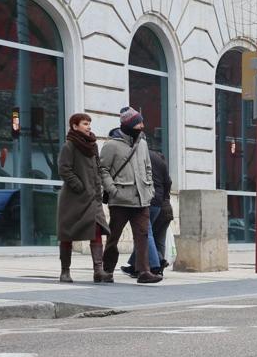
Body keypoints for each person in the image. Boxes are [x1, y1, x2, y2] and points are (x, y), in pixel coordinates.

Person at [99, 107, 161, 284]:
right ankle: (107, 270)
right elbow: (102, 169)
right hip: (120, 200)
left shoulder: (143, 143)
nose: (142, 125)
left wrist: (150, 189)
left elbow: (148, 167)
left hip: (142, 199)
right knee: (114, 237)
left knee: (142, 236)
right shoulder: (111, 145)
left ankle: (144, 272)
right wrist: (113, 190)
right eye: (138, 123)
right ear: (128, 124)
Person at [56, 113, 110, 282]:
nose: (88, 127)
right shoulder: (69, 146)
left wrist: (100, 188)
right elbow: (64, 169)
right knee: (67, 234)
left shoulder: (92, 146)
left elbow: (98, 169)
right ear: (74, 126)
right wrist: (79, 186)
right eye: (85, 124)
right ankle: (65, 271)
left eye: (89, 124)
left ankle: (98, 270)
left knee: (97, 231)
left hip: (93, 198)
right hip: (73, 199)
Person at [123, 148, 173, 278]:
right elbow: (168, 182)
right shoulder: (159, 159)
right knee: (150, 236)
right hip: (160, 203)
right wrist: (163, 197)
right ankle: (135, 266)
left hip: (146, 200)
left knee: (145, 234)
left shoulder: (137, 156)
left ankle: (157, 264)